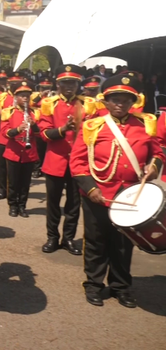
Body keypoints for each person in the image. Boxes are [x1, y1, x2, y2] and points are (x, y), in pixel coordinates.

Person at [70, 73, 163, 308]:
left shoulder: (145, 124)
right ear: (105, 100)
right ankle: (94, 285)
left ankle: (121, 286)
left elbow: (158, 154)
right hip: (98, 194)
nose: (120, 103)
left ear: (134, 102)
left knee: (123, 245)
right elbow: (78, 162)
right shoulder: (92, 126)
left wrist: (154, 168)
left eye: (126, 99)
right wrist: (90, 188)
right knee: (96, 241)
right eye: (115, 99)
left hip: (130, 195)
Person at [38, 65, 88, 256]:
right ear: (58, 84)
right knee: (53, 203)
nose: (70, 86)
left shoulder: (87, 104)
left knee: (74, 204)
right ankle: (52, 237)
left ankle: (68, 238)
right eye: (66, 83)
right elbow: (44, 134)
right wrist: (63, 129)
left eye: (73, 83)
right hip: (55, 161)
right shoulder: (49, 104)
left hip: (78, 162)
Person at [2, 82, 40, 218]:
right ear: (16, 97)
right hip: (14, 151)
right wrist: (18, 129)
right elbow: (4, 132)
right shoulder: (9, 112)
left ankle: (22, 206)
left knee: (25, 183)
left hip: (29, 152)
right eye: (22, 96)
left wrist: (34, 125)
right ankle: (12, 205)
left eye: (27, 96)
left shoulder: (35, 113)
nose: (25, 98)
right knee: (13, 182)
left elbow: (40, 134)